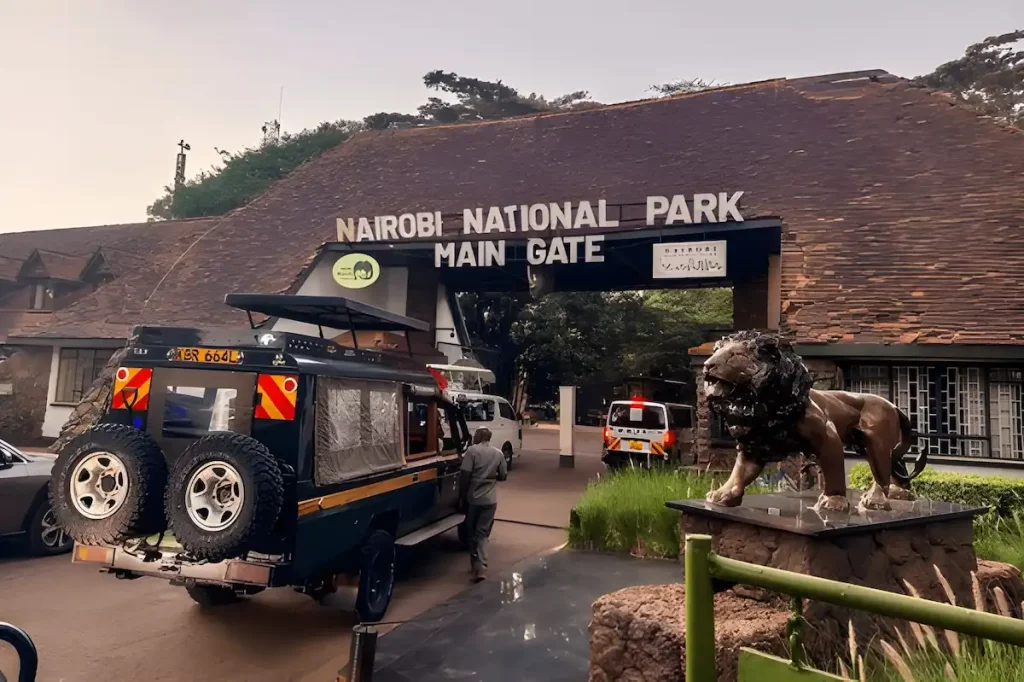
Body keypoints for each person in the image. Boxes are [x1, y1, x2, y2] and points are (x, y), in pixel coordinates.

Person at [458, 427, 507, 582]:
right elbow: (503, 476)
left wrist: (462, 495)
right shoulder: (498, 453)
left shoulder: (472, 452)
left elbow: (465, 474)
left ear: (477, 437)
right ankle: (481, 566)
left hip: (473, 499)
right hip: (490, 500)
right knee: (483, 533)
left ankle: (476, 564)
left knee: (471, 531)